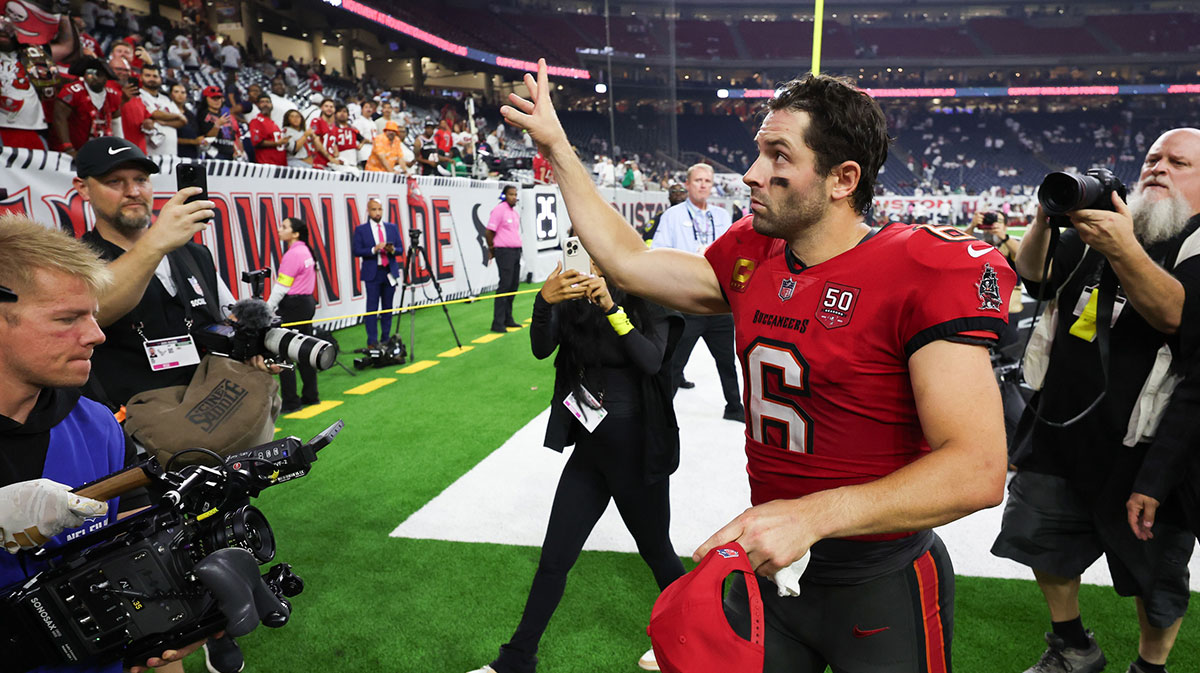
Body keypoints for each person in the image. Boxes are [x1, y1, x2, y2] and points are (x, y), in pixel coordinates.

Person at [503, 60, 1015, 672]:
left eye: (778, 156)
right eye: (757, 151)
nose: (750, 174)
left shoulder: (916, 271)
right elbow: (629, 260)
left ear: (842, 178)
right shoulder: (753, 257)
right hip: (773, 571)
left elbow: (978, 469)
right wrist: (559, 148)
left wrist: (814, 514)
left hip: (879, 574)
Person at [992, 128, 1200, 673]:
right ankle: (1071, 644)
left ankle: (1148, 667)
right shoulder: (1104, 227)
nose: (1158, 168)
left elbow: (1176, 316)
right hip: (1063, 423)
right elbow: (1035, 279)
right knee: (1040, 538)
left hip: (1145, 445)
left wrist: (1123, 247)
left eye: (1178, 162)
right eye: (1152, 157)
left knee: (1154, 574)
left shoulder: (1191, 241)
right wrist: (1045, 218)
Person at [0, 214, 206, 673]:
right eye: (67, 318)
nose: (96, 334)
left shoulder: (97, 422)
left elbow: (131, 547)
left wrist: (171, 623)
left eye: (92, 314)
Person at [468, 261, 685, 673]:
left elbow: (650, 360)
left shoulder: (648, 295)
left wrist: (609, 307)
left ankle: (697, 638)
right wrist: (543, 301)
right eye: (578, 250)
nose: (585, 262)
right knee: (555, 558)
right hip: (590, 449)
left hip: (637, 449)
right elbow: (540, 347)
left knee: (657, 551)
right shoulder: (571, 300)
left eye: (593, 251)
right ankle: (515, 660)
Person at [71, 137, 232, 407]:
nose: (133, 191)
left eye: (141, 179)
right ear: (83, 188)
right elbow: (97, 310)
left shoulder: (195, 254)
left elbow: (226, 318)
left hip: (215, 417)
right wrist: (156, 241)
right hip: (134, 436)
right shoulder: (74, 261)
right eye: (114, 181)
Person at [651, 163, 742, 421]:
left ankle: (734, 407)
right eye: (698, 180)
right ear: (688, 184)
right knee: (674, 362)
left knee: (727, 361)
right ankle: (660, 414)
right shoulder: (672, 216)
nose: (703, 184)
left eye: (707, 181)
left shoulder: (722, 216)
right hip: (686, 303)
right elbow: (658, 251)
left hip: (717, 303)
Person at [266, 218, 319, 413]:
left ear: (295, 234)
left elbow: (281, 287)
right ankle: (311, 396)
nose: (280, 230)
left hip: (293, 306)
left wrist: (266, 309)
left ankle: (291, 402)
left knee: (285, 353)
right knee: (305, 350)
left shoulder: (293, 254)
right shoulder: (305, 251)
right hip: (306, 303)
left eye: (284, 227)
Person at [352, 199, 401, 348]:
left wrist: (391, 250)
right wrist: (374, 249)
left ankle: (386, 339)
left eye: (380, 209)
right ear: (368, 210)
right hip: (373, 274)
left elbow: (400, 249)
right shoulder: (361, 230)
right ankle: (372, 342)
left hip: (389, 272)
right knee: (371, 309)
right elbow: (356, 251)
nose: (378, 212)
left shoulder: (391, 227)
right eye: (374, 209)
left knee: (388, 308)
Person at [53, 56, 122, 156]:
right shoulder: (72, 91)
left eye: (99, 74)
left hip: (102, 150)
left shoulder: (113, 96)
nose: (94, 77)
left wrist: (120, 149)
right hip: (73, 150)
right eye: (90, 73)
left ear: (106, 77)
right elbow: (59, 118)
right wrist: (68, 148)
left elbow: (116, 124)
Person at [487, 185, 522, 333]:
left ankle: (508, 318)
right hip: (504, 252)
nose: (514, 197)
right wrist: (491, 248)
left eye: (515, 194)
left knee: (513, 286)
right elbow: (489, 231)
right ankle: (498, 322)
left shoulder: (514, 213)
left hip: (515, 252)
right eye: (510, 194)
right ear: (504, 196)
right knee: (505, 285)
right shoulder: (499, 210)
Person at [138, 64, 186, 157]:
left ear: (160, 79)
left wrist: (164, 123)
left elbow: (183, 121)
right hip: (151, 154)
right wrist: (177, 115)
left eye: (155, 76)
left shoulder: (166, 99)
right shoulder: (139, 95)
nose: (152, 79)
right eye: (148, 75)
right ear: (141, 77)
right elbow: (154, 114)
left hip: (171, 154)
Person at [197, 85, 242, 160]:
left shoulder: (225, 113)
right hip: (213, 154)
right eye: (213, 98)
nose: (217, 101)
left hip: (229, 153)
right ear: (206, 99)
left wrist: (236, 150)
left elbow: (232, 136)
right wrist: (217, 125)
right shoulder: (203, 114)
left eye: (219, 98)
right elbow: (207, 137)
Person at [248, 94, 287, 166]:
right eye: (262, 102)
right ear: (258, 105)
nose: (265, 104)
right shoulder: (256, 120)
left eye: (267, 102)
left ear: (271, 105)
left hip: (279, 164)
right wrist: (277, 143)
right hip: (267, 164)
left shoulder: (272, 121)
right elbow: (257, 142)